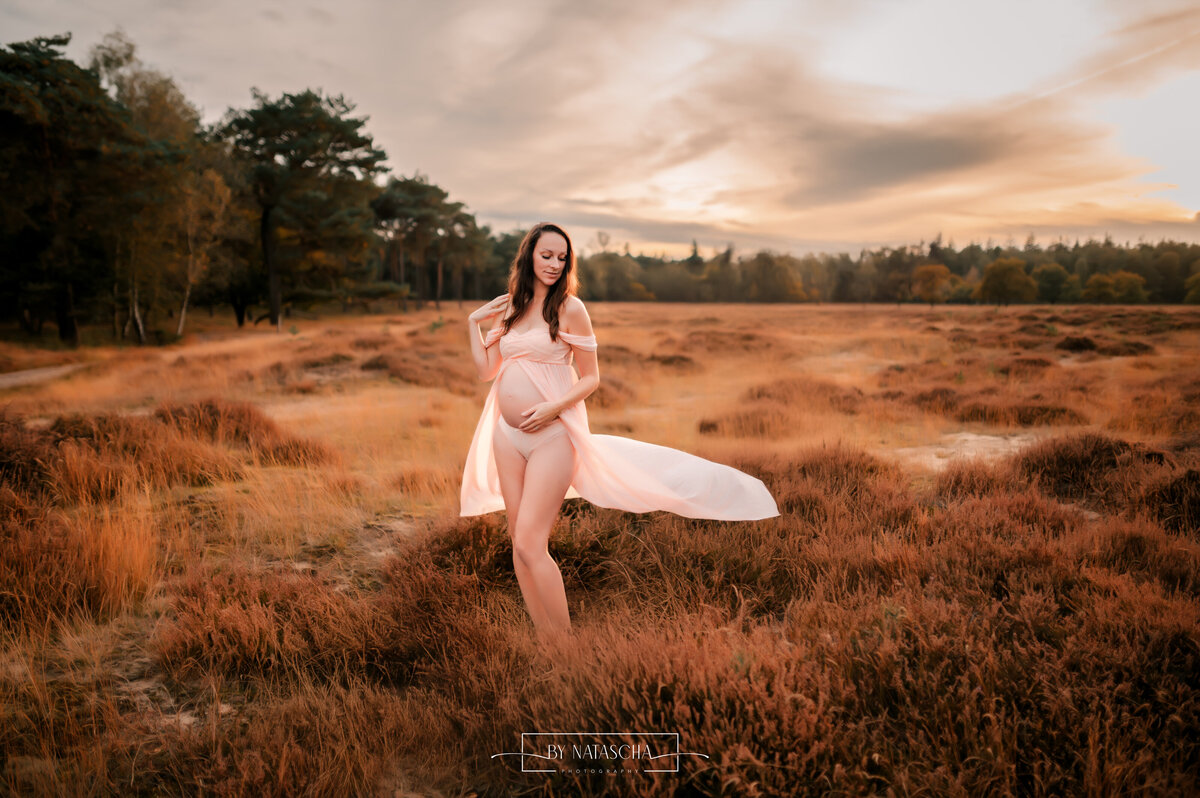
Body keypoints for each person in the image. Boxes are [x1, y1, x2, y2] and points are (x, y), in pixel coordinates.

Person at [462, 222, 779, 638]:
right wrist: (473, 322)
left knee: (530, 544)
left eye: (562, 258)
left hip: (552, 436)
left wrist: (552, 408)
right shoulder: (510, 308)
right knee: (518, 547)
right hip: (507, 437)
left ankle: (565, 646)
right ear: (528, 257)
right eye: (546, 256)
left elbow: (590, 378)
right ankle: (546, 641)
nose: (555, 264)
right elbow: (487, 372)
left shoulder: (570, 308)